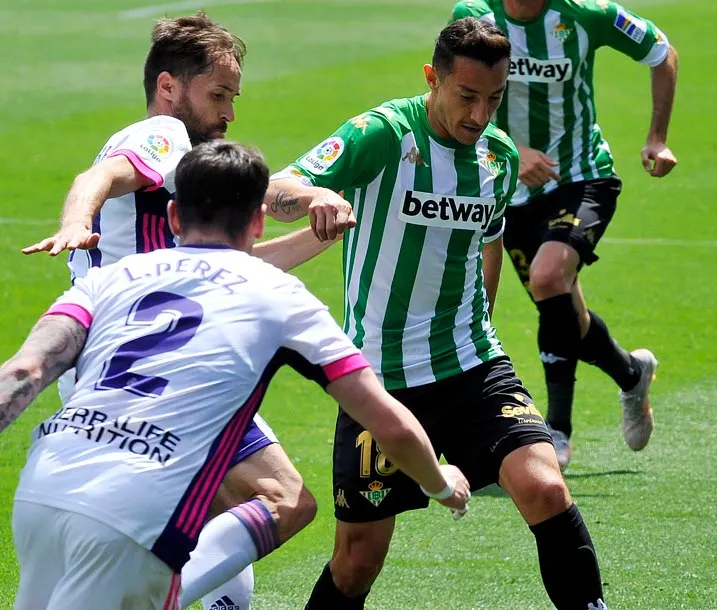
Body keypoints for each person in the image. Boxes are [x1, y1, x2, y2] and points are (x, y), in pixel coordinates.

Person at [1, 140, 470, 610]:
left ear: (173, 218)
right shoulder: (281, 296)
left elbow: (26, 369)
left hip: (43, 492)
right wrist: (440, 483)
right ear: (258, 221)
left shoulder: (109, 279)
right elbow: (388, 422)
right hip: (133, 518)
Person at [269, 17, 609, 610]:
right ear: (434, 77)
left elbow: (491, 240)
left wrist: (485, 327)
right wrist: (316, 195)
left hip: (472, 365)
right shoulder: (380, 133)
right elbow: (277, 187)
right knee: (357, 561)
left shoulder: (498, 158)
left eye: (494, 99)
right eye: (467, 97)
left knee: (546, 488)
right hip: (380, 380)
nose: (480, 115)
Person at [19, 13, 354, 610]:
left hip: (126, 364)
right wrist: (77, 221)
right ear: (170, 88)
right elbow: (97, 176)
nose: (228, 113)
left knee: (224, 512)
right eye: (218, 95)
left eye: (233, 97)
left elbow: (242, 267)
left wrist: (321, 232)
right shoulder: (161, 136)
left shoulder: (184, 173)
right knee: (284, 500)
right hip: (155, 370)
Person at [452, 0, 679, 470]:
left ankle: (557, 429)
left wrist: (657, 137)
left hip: (582, 176)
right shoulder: (473, 14)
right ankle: (631, 373)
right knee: (561, 309)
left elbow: (661, 52)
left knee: (548, 278)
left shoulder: (586, 14)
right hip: (509, 187)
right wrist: (514, 149)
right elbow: (456, 91)